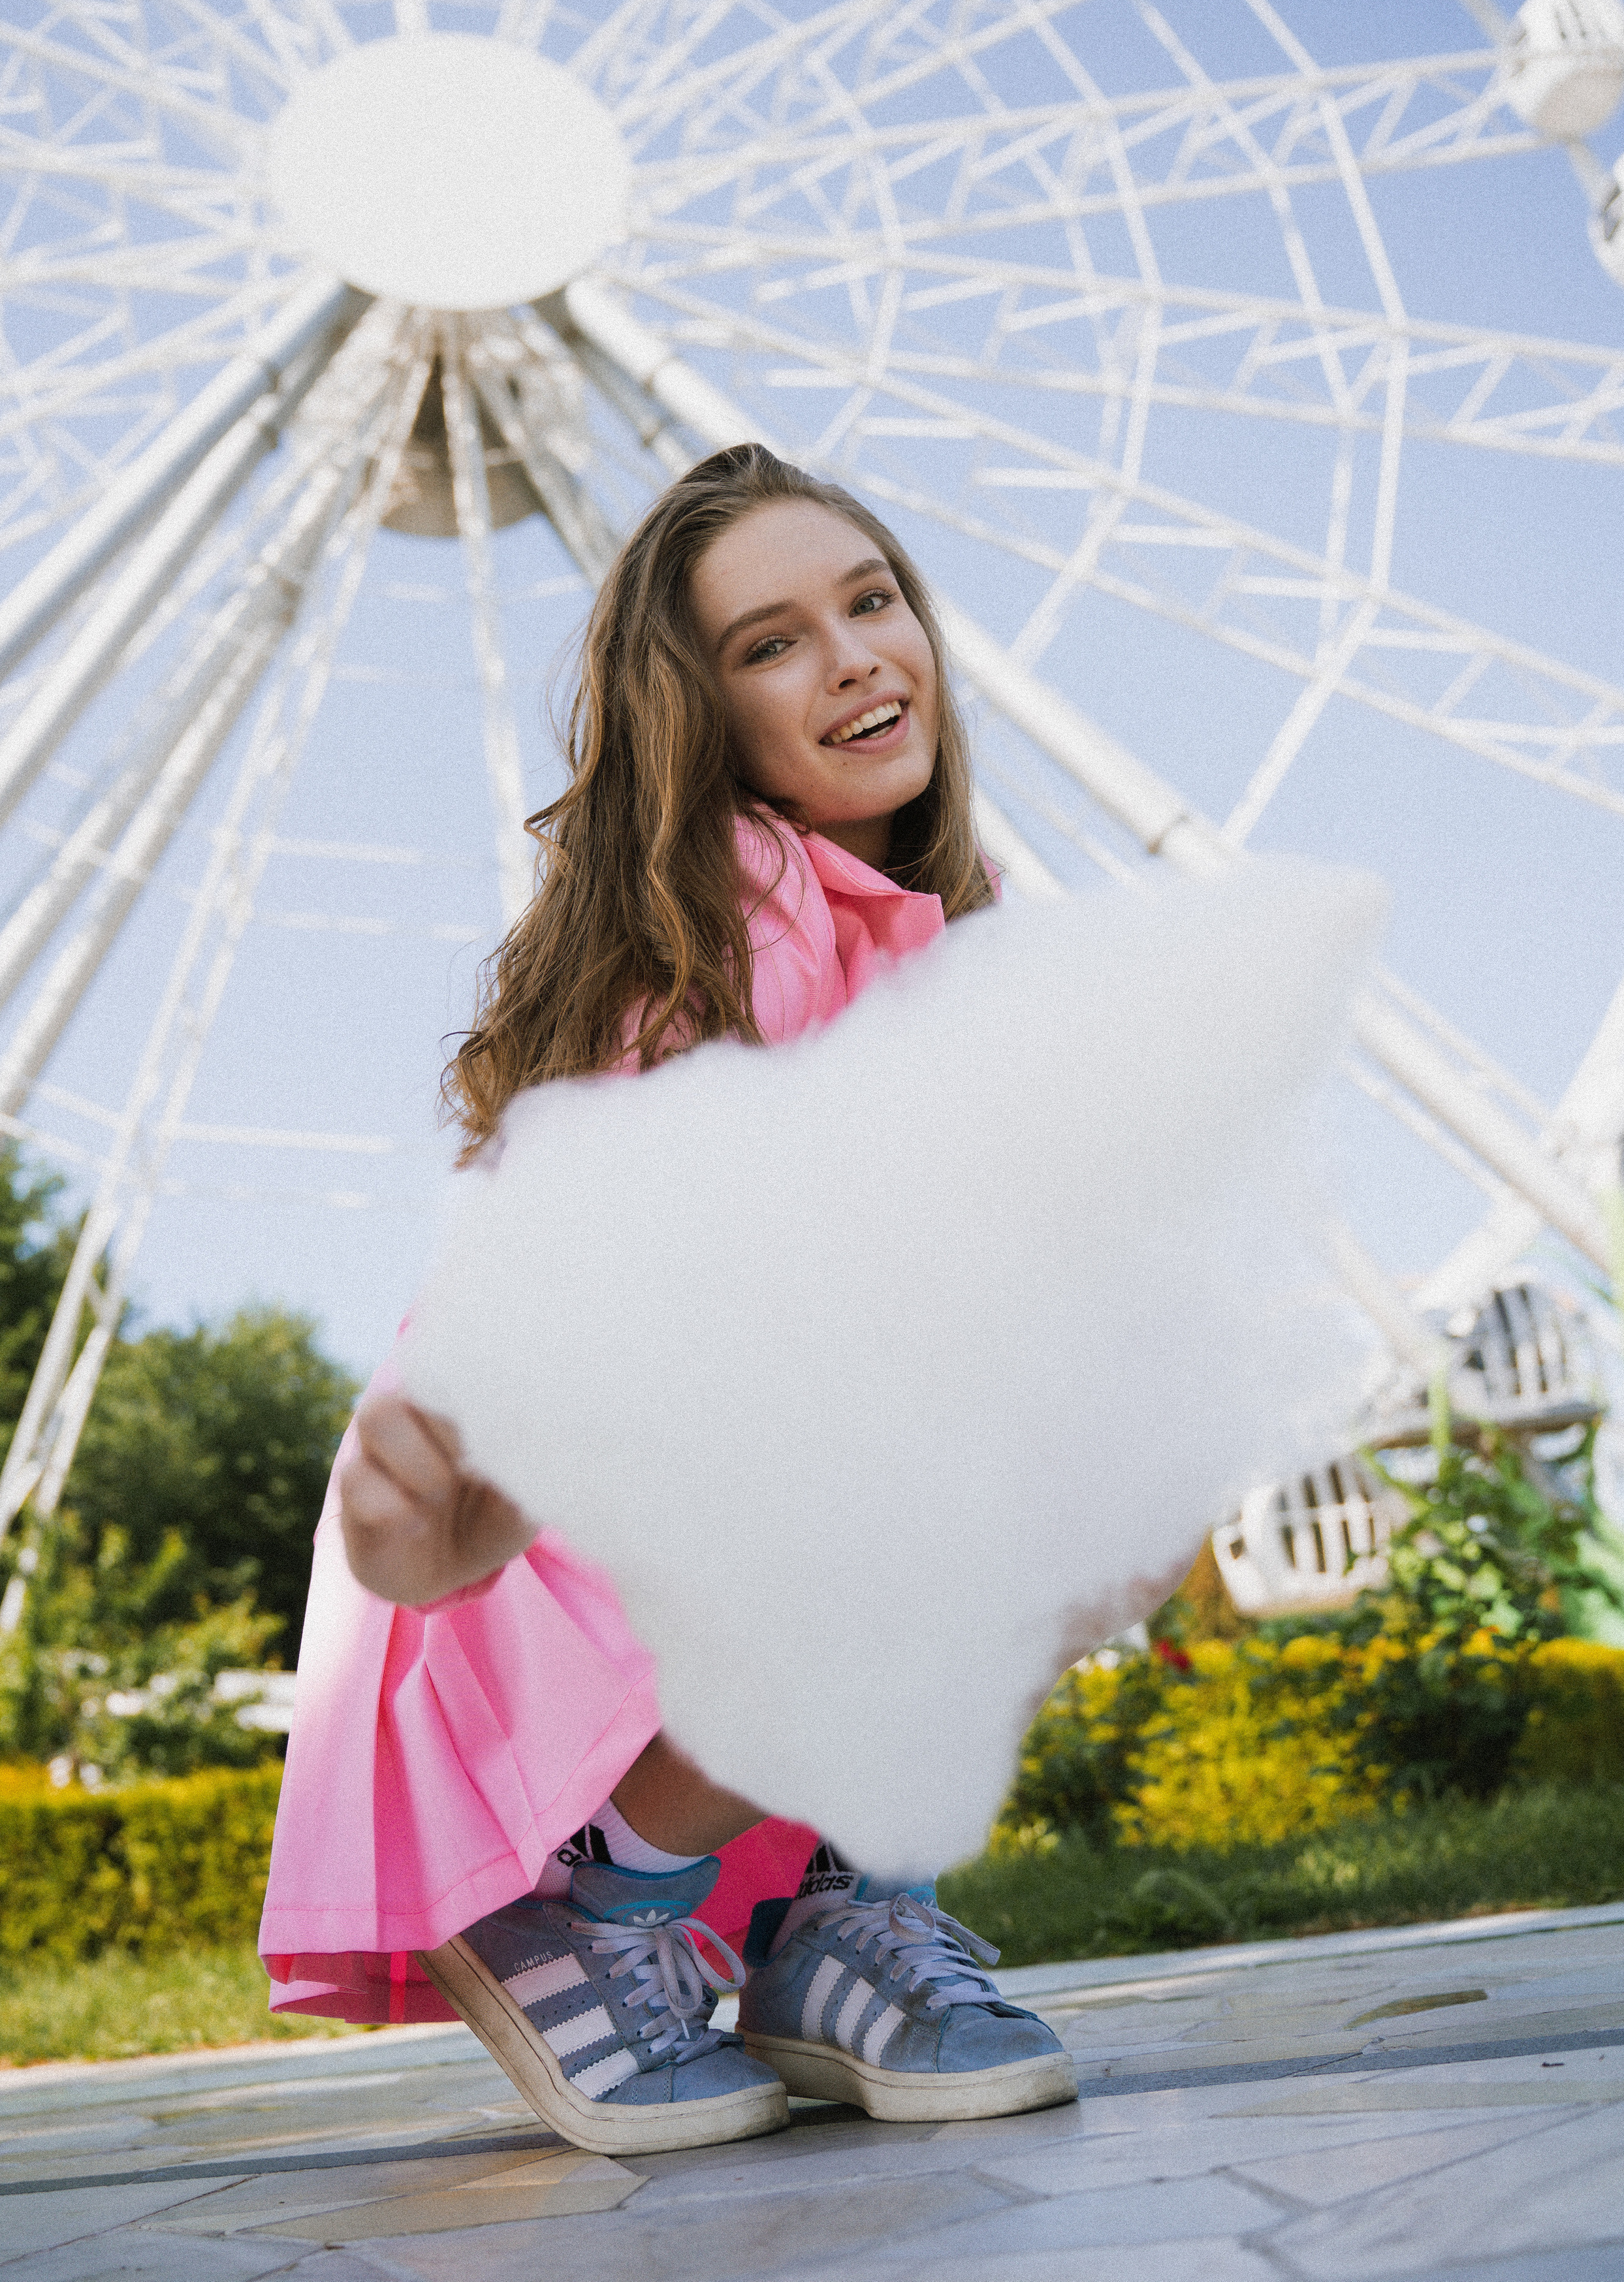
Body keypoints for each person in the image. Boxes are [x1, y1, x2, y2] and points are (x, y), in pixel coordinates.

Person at [259, 445, 1077, 2154]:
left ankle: (832, 1904)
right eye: (774, 642)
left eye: (871, 601)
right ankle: (602, 1903)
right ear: (697, 720)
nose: (856, 654)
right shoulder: (760, 901)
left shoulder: (910, 917)